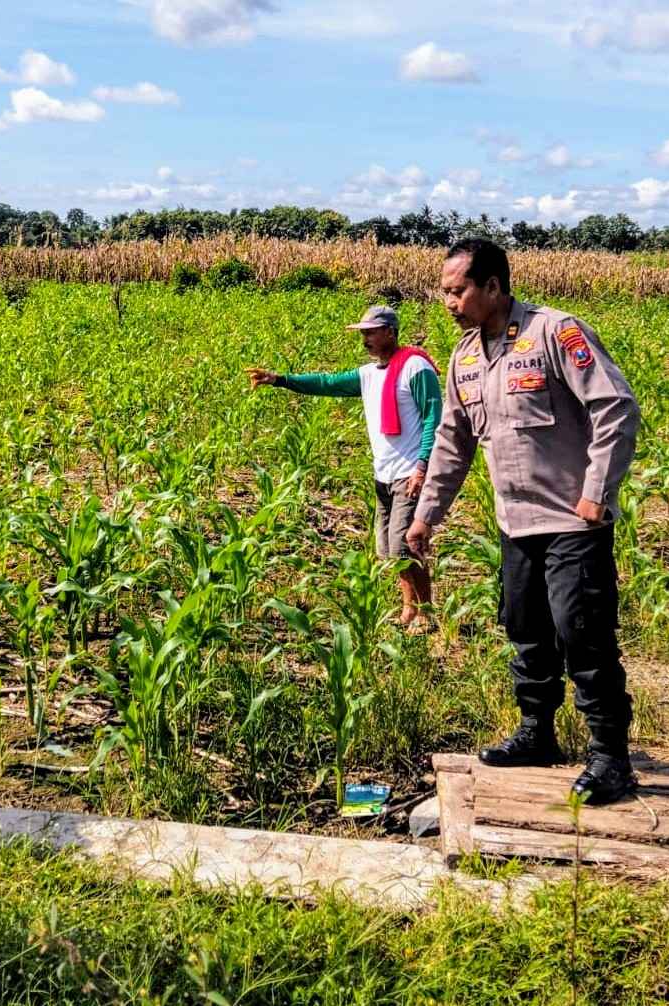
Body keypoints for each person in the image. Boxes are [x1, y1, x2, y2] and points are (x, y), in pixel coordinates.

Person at [405, 238, 641, 805]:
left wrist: (596, 492)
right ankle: (538, 734)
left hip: (572, 522)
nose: (448, 301)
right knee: (526, 630)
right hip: (517, 525)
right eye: (444, 291)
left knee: (581, 634)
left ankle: (611, 758)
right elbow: (452, 445)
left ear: (493, 286)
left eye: (458, 290)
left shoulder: (555, 334)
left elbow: (615, 407)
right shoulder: (464, 358)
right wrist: (425, 517)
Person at [248, 305, 443, 628]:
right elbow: (327, 383)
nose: (364, 339)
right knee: (388, 549)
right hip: (384, 473)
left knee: (404, 545)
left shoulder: (415, 368)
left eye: (370, 332)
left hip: (410, 472)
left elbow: (433, 419)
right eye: (362, 333)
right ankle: (409, 607)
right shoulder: (369, 375)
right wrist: (280, 380)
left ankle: (426, 613)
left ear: (390, 333)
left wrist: (423, 465)